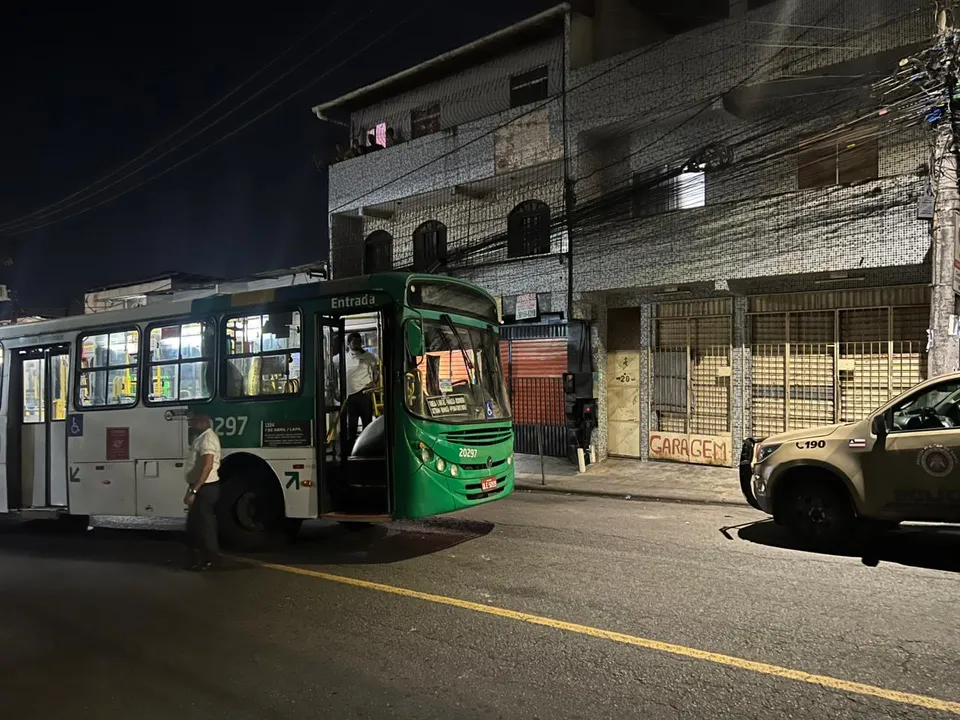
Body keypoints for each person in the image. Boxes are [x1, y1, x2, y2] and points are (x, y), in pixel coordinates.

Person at [183, 412, 222, 571]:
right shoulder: (203, 437)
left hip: (205, 488)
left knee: (204, 526)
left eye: (193, 421)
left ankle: (209, 559)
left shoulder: (207, 439)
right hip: (202, 487)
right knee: (195, 525)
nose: (190, 424)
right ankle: (199, 559)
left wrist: (194, 490)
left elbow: (207, 466)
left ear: (202, 422)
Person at [342, 332, 379, 452]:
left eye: (359, 341)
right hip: (350, 395)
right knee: (351, 424)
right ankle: (351, 449)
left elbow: (378, 371)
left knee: (367, 423)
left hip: (365, 393)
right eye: (354, 341)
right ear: (348, 343)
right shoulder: (342, 358)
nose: (357, 344)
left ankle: (367, 448)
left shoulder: (370, 357)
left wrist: (375, 383)